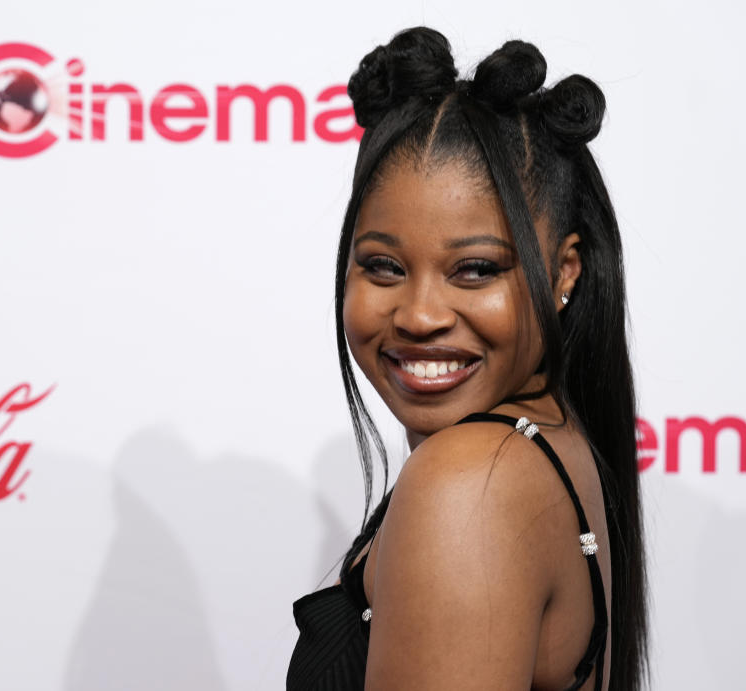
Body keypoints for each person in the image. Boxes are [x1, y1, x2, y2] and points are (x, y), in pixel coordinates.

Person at [286, 27, 648, 691]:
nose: (420, 315)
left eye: (476, 269)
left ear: (565, 271)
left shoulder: (468, 483)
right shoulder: (547, 437)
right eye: (384, 266)